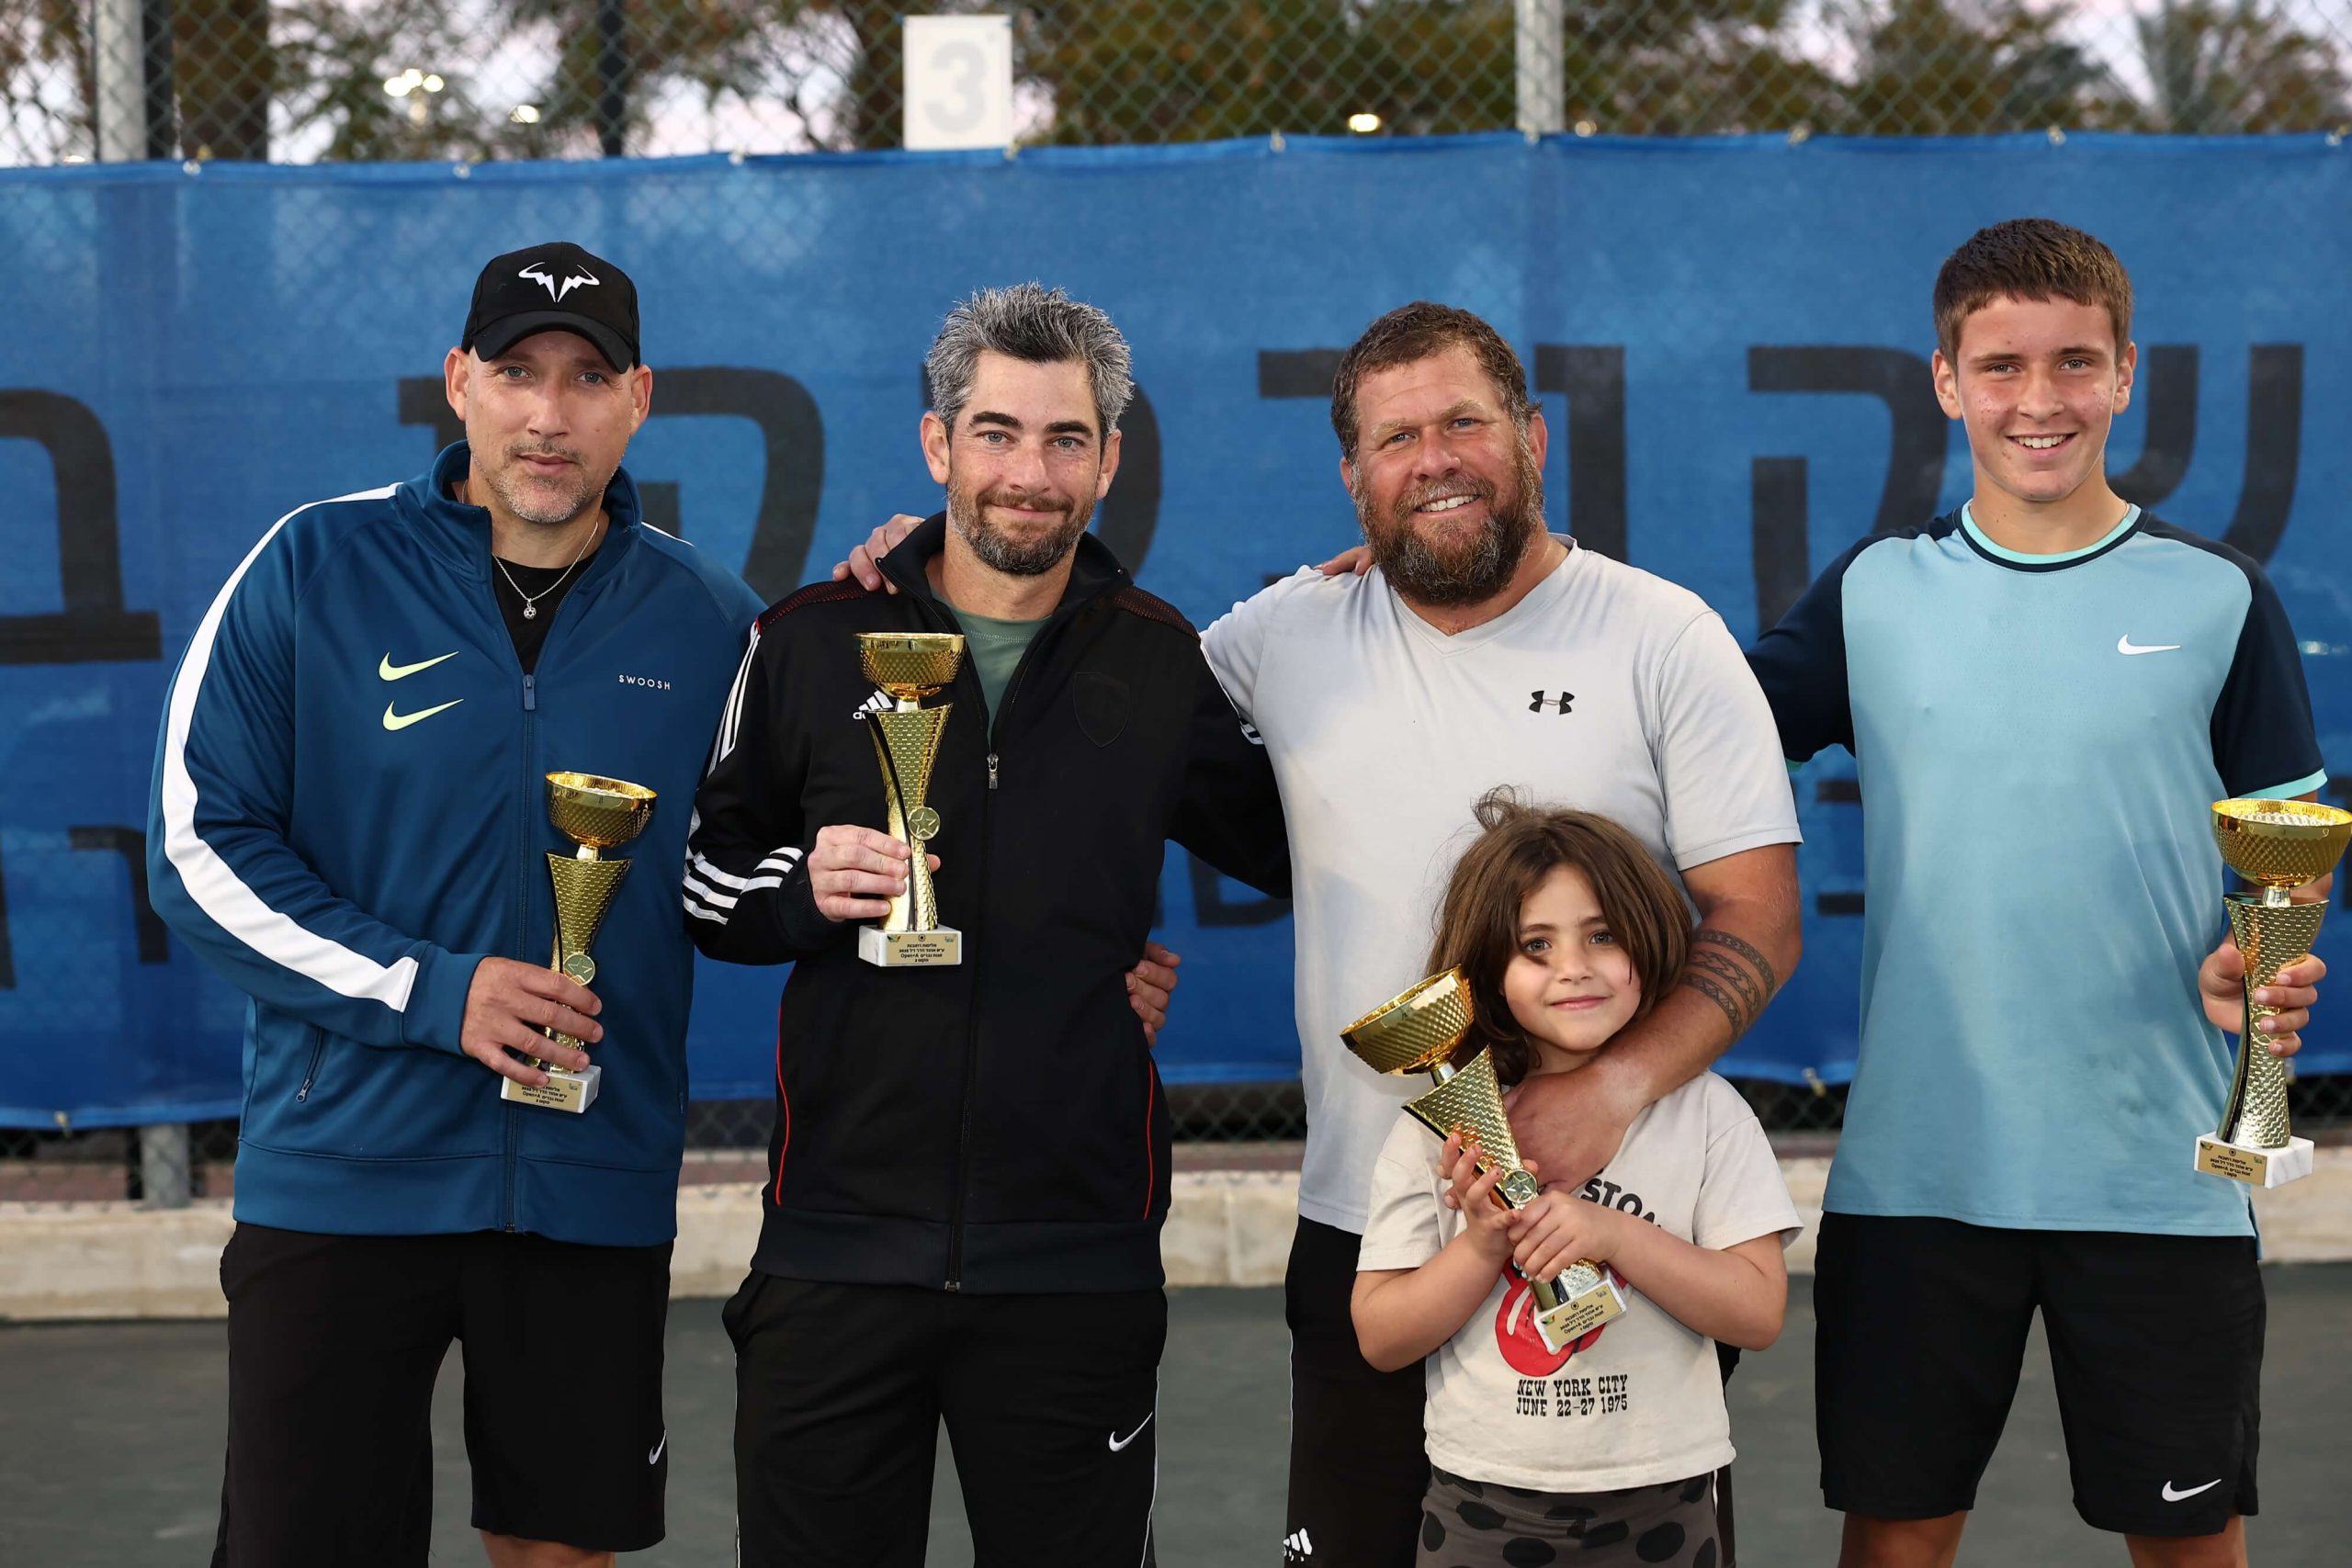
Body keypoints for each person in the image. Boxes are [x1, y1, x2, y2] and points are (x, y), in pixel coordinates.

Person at [838, 299, 1807, 1567]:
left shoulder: (1662, 636)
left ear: (1530, 438)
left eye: (1464, 424)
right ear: (1353, 477)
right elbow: (1072, 702)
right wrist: (926, 564)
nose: (1435, 460)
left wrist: (1610, 1092)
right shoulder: (1281, 634)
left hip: (1613, 1205)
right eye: (1396, 439)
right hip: (1372, 1228)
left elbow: (1760, 916)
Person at [145, 243, 765, 1567]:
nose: (549, 414)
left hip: (588, 1181)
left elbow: (812, 851)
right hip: (344, 1170)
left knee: (558, 1553)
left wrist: (1072, 943)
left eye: (587, 377)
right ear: (458, 383)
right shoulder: (314, 565)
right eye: (517, 372)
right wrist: (435, 991)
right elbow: (199, 847)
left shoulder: (714, 619)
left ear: (639, 398)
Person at [1747, 218, 2332, 1568]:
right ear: (1945, 382)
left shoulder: (2219, 596)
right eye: (2000, 365)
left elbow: (2288, 847)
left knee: (2188, 1547)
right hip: (1917, 1174)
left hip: (2157, 1174)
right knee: (1894, 1542)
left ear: (2126, 373)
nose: (2039, 399)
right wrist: (1516, 584)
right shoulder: (1873, 593)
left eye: (2074, 361)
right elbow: (1690, 716)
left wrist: (2259, 950)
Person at [684, 283, 1290, 1567]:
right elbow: (704, 880)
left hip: (1075, 1257)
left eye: (1066, 439)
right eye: (997, 433)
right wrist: (803, 886)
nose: (1029, 474)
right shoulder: (807, 639)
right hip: (838, 1249)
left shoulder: (1157, 660)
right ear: (937, 444)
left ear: (1109, 460)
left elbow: (1302, 851)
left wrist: (1369, 610)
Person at [1354, 791, 1800, 1566]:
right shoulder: (1441, 1132)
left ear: (1649, 938)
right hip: (1481, 1503)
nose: (1574, 968)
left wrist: (1614, 1234)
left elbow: (1758, 1312)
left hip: (1666, 1498)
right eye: (1536, 945)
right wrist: (1481, 1243)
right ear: (1488, 972)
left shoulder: (1706, 1114)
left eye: (1602, 934)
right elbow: (1381, 1336)